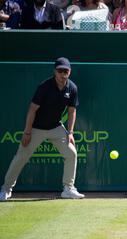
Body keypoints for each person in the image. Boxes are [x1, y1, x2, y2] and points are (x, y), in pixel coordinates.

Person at [0, 57, 85, 201]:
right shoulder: (44, 87)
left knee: (71, 153)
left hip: (56, 127)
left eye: (66, 71)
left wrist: (70, 132)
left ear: (69, 72)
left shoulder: (72, 88)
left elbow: (72, 111)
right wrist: (27, 132)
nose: (62, 74)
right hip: (36, 128)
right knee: (21, 157)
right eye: (60, 71)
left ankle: (68, 189)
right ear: (55, 71)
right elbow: (32, 110)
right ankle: (6, 189)